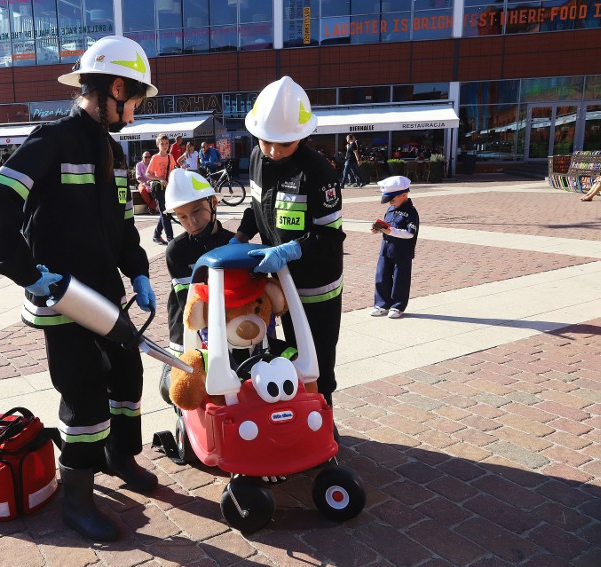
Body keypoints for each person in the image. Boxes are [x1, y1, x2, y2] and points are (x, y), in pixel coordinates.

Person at [0, 35, 158, 542]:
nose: (136, 113)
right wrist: (27, 272)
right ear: (115, 88)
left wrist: (138, 269)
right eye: (136, 100)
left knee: (126, 375)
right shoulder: (52, 139)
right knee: (85, 394)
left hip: (105, 295)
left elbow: (122, 228)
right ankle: (77, 501)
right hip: (64, 300)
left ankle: (121, 457)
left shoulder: (112, 152)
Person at [231, 76, 345, 410]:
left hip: (316, 286)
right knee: (284, 352)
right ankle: (293, 414)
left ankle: (323, 415)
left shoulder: (319, 172)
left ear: (302, 136)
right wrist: (239, 237)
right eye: (267, 141)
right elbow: (256, 207)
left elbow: (329, 236)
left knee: (317, 357)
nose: (273, 151)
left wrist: (291, 250)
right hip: (279, 281)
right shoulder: (256, 157)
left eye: (285, 144)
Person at [160, 168, 234, 400]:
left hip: (231, 329)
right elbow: (189, 301)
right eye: (182, 217)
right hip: (188, 332)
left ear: (213, 203)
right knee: (185, 393)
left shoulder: (233, 242)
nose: (191, 222)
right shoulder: (177, 250)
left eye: (197, 211)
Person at [370, 176, 419, 319]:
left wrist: (391, 231)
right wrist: (378, 229)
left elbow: (410, 233)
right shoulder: (391, 209)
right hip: (386, 249)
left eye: (392, 198)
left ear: (404, 194)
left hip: (402, 252)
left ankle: (397, 306)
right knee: (382, 276)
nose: (390, 202)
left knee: (400, 279)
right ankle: (381, 304)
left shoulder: (411, 212)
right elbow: (387, 226)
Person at [146, 133, 177, 245]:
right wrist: (160, 179)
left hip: (168, 188)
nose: (165, 146)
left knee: (166, 213)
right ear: (158, 145)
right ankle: (171, 239)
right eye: (162, 144)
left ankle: (156, 235)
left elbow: (173, 171)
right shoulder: (155, 158)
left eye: (167, 143)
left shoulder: (170, 157)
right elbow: (148, 174)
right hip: (159, 189)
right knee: (165, 213)